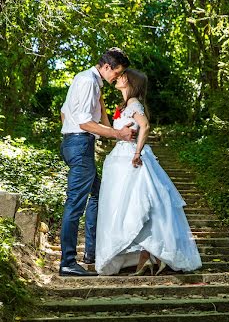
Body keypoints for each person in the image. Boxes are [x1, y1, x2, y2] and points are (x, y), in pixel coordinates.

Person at [95, 69, 202, 276]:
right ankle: (147, 256)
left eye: (123, 76)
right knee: (125, 206)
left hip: (130, 159)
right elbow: (111, 129)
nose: (119, 77)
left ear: (131, 83)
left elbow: (145, 126)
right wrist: (101, 103)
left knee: (139, 205)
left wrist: (137, 152)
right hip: (118, 159)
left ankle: (151, 254)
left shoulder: (134, 103)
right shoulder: (124, 107)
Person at [59, 47, 136, 277]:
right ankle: (67, 262)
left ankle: (91, 252)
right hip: (80, 144)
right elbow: (83, 122)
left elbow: (65, 112)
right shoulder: (88, 82)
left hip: (77, 143)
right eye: (117, 72)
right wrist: (116, 134)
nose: (117, 78)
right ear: (106, 67)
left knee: (98, 194)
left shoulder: (89, 81)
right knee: (75, 203)